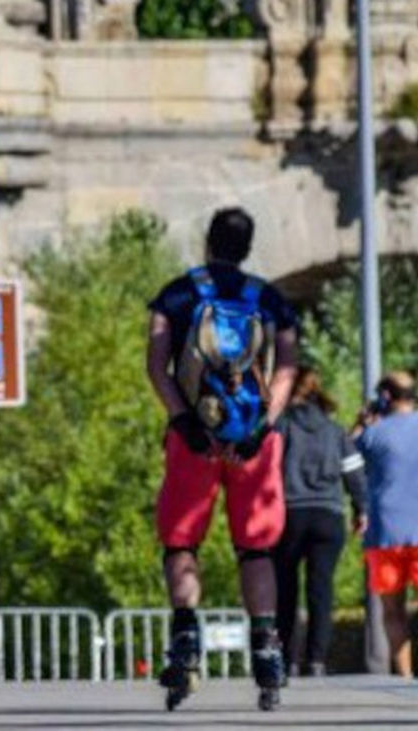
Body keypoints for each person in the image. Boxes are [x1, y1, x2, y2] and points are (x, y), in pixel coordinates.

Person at [146, 206, 299, 711]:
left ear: (208, 242)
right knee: (254, 548)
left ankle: (187, 639)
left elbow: (156, 363)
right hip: (252, 441)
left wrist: (183, 419)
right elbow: (287, 368)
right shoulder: (269, 298)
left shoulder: (177, 294)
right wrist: (263, 426)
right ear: (248, 246)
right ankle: (266, 648)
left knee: (181, 541)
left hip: (194, 438)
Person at [352, 371, 418, 681]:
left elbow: (346, 460)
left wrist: (360, 423)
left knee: (393, 610)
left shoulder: (374, 434)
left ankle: (406, 674)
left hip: (386, 532)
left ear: (384, 397)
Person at [273, 367, 365, 679]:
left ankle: (285, 659)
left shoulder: (281, 427)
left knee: (285, 591)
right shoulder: (335, 430)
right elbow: (354, 473)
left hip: (290, 515)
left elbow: (267, 469)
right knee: (321, 590)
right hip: (328, 516)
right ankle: (316, 660)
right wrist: (360, 509)